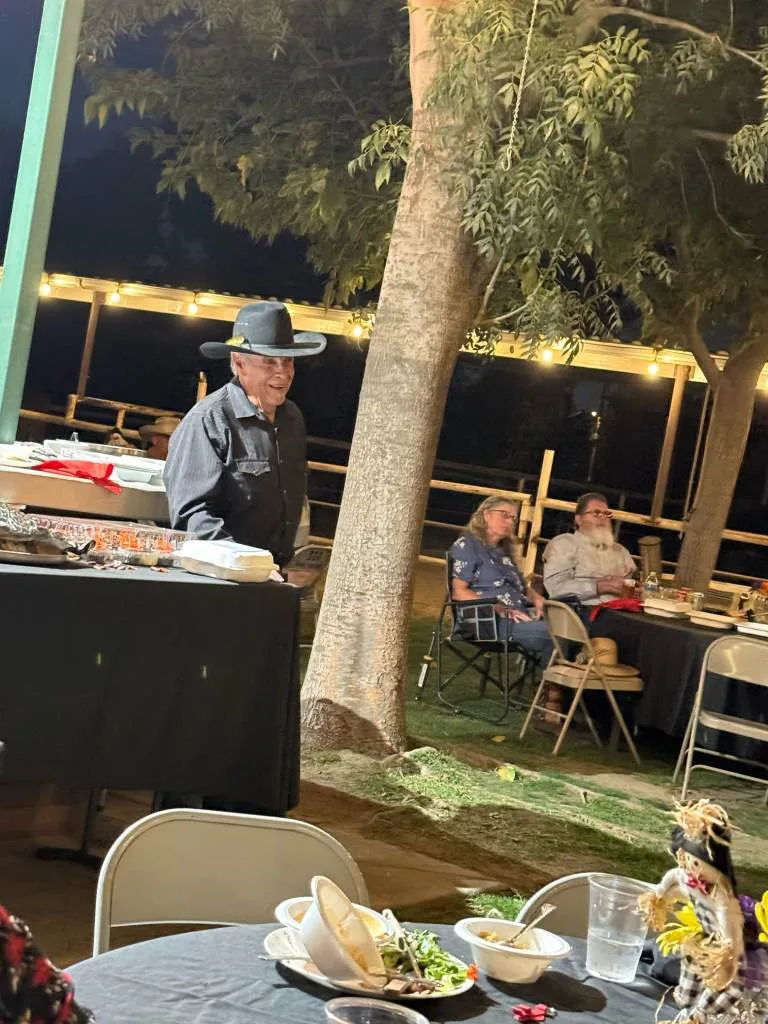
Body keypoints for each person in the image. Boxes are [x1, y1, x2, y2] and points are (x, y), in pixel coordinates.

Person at [164, 302, 326, 569]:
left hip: (276, 574)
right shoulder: (207, 420)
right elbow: (192, 517)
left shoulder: (292, 418)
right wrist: (247, 566)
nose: (283, 372)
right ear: (240, 363)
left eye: (288, 360)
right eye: (269, 361)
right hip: (220, 578)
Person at [448, 496, 553, 665]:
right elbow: (458, 592)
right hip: (487, 622)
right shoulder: (467, 545)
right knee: (556, 634)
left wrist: (537, 598)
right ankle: (554, 681)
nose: (510, 522)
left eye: (513, 518)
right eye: (504, 515)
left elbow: (521, 586)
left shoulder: (503, 551)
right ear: (486, 514)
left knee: (569, 629)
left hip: (519, 617)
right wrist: (495, 606)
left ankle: (556, 679)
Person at [543, 492, 635, 607]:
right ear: (579, 519)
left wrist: (638, 590)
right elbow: (556, 589)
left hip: (620, 610)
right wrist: (601, 586)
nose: (602, 518)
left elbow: (631, 585)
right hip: (579, 611)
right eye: (596, 513)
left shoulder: (621, 551)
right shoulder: (565, 543)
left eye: (606, 514)